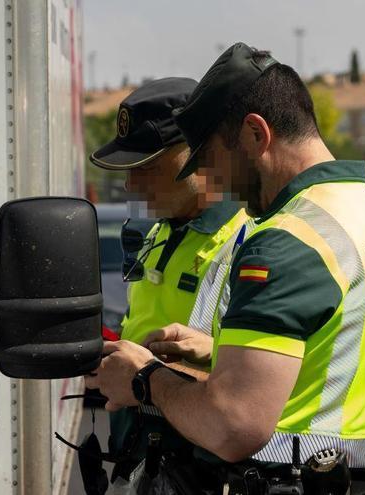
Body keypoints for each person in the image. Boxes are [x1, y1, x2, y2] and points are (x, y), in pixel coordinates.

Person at [86, 43, 365, 494]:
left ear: (255, 134)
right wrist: (220, 351)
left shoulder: (287, 241)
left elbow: (232, 425)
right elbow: (334, 362)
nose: (213, 180)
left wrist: (144, 379)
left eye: (211, 160)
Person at [88, 77, 250, 481]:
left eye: (146, 167)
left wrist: (142, 378)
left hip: (203, 475)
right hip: (141, 465)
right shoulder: (161, 232)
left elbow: (257, 399)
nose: (131, 184)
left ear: (200, 151)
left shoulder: (253, 244)